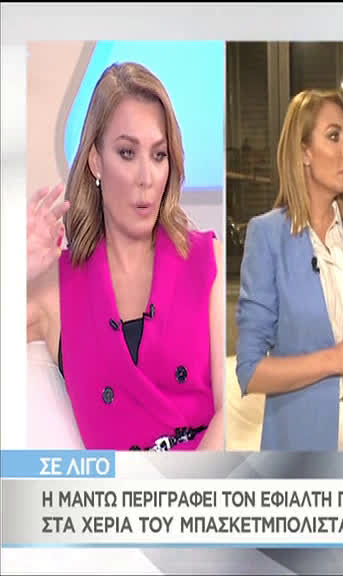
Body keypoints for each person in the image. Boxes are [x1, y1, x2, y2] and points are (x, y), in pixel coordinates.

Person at [26, 62, 224, 451]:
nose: (146, 178)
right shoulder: (55, 289)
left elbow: (230, 412)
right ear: (96, 161)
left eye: (159, 155)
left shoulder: (207, 260)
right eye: (127, 153)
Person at [236, 89, 343, 451]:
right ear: (304, 151)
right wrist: (335, 359)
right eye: (334, 136)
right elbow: (250, 371)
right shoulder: (267, 235)